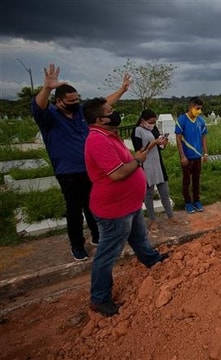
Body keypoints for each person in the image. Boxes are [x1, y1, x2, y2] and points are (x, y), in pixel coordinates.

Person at [31, 64, 131, 261]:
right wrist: (47, 88)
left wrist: (122, 90)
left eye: (77, 99)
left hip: (91, 169)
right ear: (59, 102)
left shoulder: (80, 113)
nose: (75, 102)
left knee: (93, 205)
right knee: (74, 210)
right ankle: (77, 245)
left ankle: (97, 236)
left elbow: (103, 104)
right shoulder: (49, 116)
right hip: (68, 172)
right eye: (70, 101)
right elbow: (38, 105)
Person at [83, 98, 169, 317]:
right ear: (98, 119)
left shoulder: (108, 136)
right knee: (107, 254)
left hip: (129, 204)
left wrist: (136, 157)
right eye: (110, 111)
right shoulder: (97, 140)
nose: (115, 113)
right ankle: (99, 298)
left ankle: (151, 259)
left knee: (139, 237)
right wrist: (138, 160)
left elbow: (122, 162)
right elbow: (118, 173)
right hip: (114, 210)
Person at [131, 109, 178, 232]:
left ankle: (170, 216)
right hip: (146, 165)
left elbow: (159, 146)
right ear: (143, 120)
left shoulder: (154, 129)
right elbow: (140, 151)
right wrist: (154, 142)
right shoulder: (137, 131)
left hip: (158, 165)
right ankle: (152, 220)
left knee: (165, 192)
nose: (152, 124)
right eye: (150, 122)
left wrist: (163, 143)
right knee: (149, 194)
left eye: (154, 122)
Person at [175, 97, 208, 214]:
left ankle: (196, 201)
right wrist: (182, 156)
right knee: (186, 180)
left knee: (196, 180)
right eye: (197, 108)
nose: (199, 111)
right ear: (191, 107)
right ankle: (187, 203)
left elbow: (204, 138)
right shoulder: (182, 120)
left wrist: (205, 153)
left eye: (200, 109)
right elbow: (178, 139)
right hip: (187, 156)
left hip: (197, 156)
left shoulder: (201, 121)